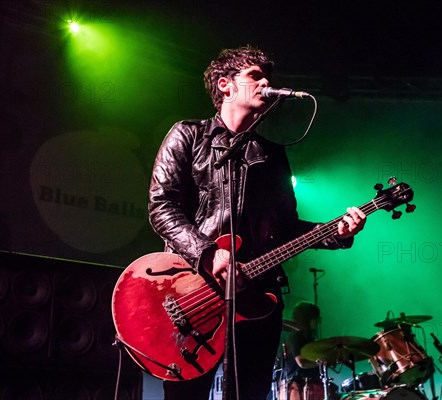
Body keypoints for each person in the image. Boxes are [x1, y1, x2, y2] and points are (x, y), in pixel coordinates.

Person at [148, 45, 367, 400]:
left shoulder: (273, 155)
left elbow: (287, 228)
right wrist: (208, 254)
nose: (266, 83)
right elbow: (162, 206)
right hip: (193, 291)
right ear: (225, 85)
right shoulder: (187, 136)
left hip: (257, 298)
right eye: (255, 76)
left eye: (269, 77)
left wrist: (336, 232)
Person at [280, 302, 329, 400]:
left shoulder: (311, 339)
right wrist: (320, 363)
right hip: (297, 387)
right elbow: (301, 363)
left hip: (311, 384)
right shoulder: (295, 337)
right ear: (307, 319)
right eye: (315, 318)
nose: (318, 321)